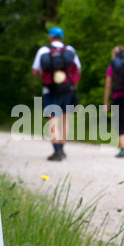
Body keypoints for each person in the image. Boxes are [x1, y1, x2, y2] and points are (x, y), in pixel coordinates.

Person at [32, 27, 81, 161]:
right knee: (65, 119)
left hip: (50, 90)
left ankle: (57, 151)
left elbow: (35, 71)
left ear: (50, 37)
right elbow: (78, 70)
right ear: (62, 37)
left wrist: (45, 79)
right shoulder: (70, 50)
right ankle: (62, 148)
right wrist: (72, 86)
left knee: (53, 119)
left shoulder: (44, 50)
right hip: (68, 90)